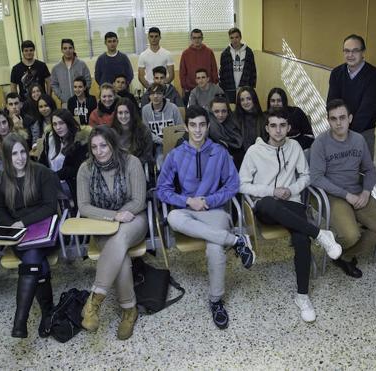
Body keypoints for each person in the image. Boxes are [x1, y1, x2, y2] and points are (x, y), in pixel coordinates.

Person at [239, 108, 341, 323]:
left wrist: (292, 189)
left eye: (282, 125)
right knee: (268, 203)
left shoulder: (294, 147)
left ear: (288, 128)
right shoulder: (254, 152)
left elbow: (306, 176)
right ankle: (321, 234)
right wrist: (271, 191)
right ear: (267, 128)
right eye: (273, 125)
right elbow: (242, 184)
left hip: (291, 201)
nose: (278, 130)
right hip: (266, 207)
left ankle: (302, 296)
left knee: (301, 239)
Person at [156, 105, 254, 330]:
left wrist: (209, 200)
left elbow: (233, 184)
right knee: (172, 218)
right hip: (188, 211)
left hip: (215, 211)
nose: (198, 130)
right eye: (193, 125)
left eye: (202, 125)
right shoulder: (176, 155)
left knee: (214, 247)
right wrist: (188, 201)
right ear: (186, 127)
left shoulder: (219, 152)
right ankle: (235, 241)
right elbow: (162, 190)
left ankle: (216, 301)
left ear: (208, 126)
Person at [309, 99, 376, 278]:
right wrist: (346, 195)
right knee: (351, 235)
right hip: (332, 195)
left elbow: (369, 169)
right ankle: (336, 245)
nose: (338, 123)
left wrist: (366, 191)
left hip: (357, 191)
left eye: (342, 117)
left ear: (350, 118)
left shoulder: (358, 140)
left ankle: (344, 255)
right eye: (333, 119)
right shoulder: (320, 143)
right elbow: (315, 177)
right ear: (328, 120)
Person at [78, 126, 146, 340]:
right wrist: (113, 215)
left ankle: (94, 300)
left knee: (119, 240)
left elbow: (138, 200)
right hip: (103, 225)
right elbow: (84, 207)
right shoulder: (85, 169)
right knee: (121, 255)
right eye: (94, 147)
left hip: (134, 219)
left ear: (112, 144)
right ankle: (129, 310)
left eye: (104, 145)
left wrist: (123, 215)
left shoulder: (131, 162)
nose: (99, 151)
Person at [0, 133, 59, 338]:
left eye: (22, 152)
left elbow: (49, 207)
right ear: (6, 157)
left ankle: (20, 320)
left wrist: (24, 222)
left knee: (32, 256)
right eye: (14, 154)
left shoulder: (42, 172)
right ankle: (48, 313)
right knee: (36, 261)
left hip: (45, 231)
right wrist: (12, 226)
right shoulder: (1, 178)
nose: (20, 158)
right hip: (20, 235)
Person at [327, 34, 376, 158]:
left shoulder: (375, 76)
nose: (350, 55)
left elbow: (367, 110)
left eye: (355, 51)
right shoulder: (336, 73)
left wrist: (347, 135)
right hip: (338, 130)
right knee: (337, 171)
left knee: (361, 173)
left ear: (363, 52)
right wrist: (338, 129)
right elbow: (331, 104)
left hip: (363, 133)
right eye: (347, 51)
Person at [38, 109, 89, 208]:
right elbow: (43, 159)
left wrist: (52, 177)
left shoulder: (79, 141)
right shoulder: (50, 137)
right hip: (51, 181)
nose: (58, 127)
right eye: (55, 124)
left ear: (68, 123)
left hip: (71, 184)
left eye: (61, 123)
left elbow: (74, 169)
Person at [141, 83, 184, 165]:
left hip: (174, 141)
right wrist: (162, 141)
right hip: (156, 143)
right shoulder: (145, 110)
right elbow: (146, 132)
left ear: (164, 95)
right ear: (149, 96)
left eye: (159, 93)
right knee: (161, 158)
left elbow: (180, 128)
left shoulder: (173, 108)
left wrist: (171, 141)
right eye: (152, 94)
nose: (155, 96)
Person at [179, 29, 218, 106]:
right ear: (191, 39)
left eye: (199, 37)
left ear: (202, 38)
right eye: (194, 38)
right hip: (191, 89)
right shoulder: (186, 53)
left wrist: (214, 83)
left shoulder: (209, 52)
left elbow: (214, 69)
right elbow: (182, 72)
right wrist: (185, 86)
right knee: (192, 113)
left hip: (207, 89)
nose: (197, 40)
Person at [111, 97, 153, 166]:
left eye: (127, 112)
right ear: (116, 115)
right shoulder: (112, 132)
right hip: (118, 167)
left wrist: (132, 164)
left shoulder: (144, 131)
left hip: (137, 166)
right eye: (120, 113)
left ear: (132, 113)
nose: (123, 116)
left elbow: (147, 156)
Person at [219, 27, 257, 103]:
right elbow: (222, 72)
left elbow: (253, 70)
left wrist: (251, 87)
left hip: (244, 87)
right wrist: (223, 88)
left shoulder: (248, 52)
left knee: (244, 108)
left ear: (240, 37)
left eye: (236, 37)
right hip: (229, 88)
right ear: (229, 39)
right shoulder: (225, 54)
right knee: (231, 109)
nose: (234, 40)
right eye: (232, 38)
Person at [51, 39, 92, 107]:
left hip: (82, 101)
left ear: (73, 49)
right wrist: (61, 96)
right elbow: (54, 84)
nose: (68, 50)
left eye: (70, 48)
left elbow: (88, 80)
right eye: (65, 48)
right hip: (65, 103)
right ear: (61, 50)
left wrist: (83, 94)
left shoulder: (82, 64)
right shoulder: (56, 68)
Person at [234, 86, 265, 155]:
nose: (245, 102)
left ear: (254, 99)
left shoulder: (263, 118)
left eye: (248, 99)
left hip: (260, 155)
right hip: (240, 157)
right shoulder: (234, 118)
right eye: (242, 100)